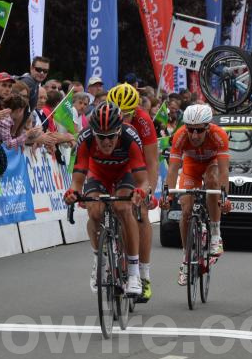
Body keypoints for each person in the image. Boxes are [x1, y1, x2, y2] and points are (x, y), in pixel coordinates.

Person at [63, 102, 148, 296]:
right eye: (101, 137)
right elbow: (77, 180)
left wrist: (141, 193)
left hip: (124, 173)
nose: (106, 141)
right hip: (98, 173)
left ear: (119, 132)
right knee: (95, 211)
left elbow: (143, 181)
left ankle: (134, 274)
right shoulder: (85, 138)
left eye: (111, 136)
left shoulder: (130, 137)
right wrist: (72, 194)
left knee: (123, 208)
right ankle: (99, 260)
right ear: (94, 133)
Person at [162, 104, 231, 286]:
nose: (194, 135)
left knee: (212, 180)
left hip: (212, 164)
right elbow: (173, 170)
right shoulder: (180, 136)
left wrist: (225, 198)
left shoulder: (219, 135)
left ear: (207, 127)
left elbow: (224, 172)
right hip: (191, 167)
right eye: (190, 129)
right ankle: (185, 259)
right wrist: (167, 196)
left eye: (199, 131)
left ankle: (215, 233)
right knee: (185, 208)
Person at [107, 82, 159, 302]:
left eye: (127, 115)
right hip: (112, 165)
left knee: (141, 215)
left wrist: (149, 191)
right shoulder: (104, 114)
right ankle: (106, 258)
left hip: (136, 167)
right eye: (120, 115)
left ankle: (144, 276)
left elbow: (152, 161)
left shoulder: (143, 121)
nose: (124, 120)